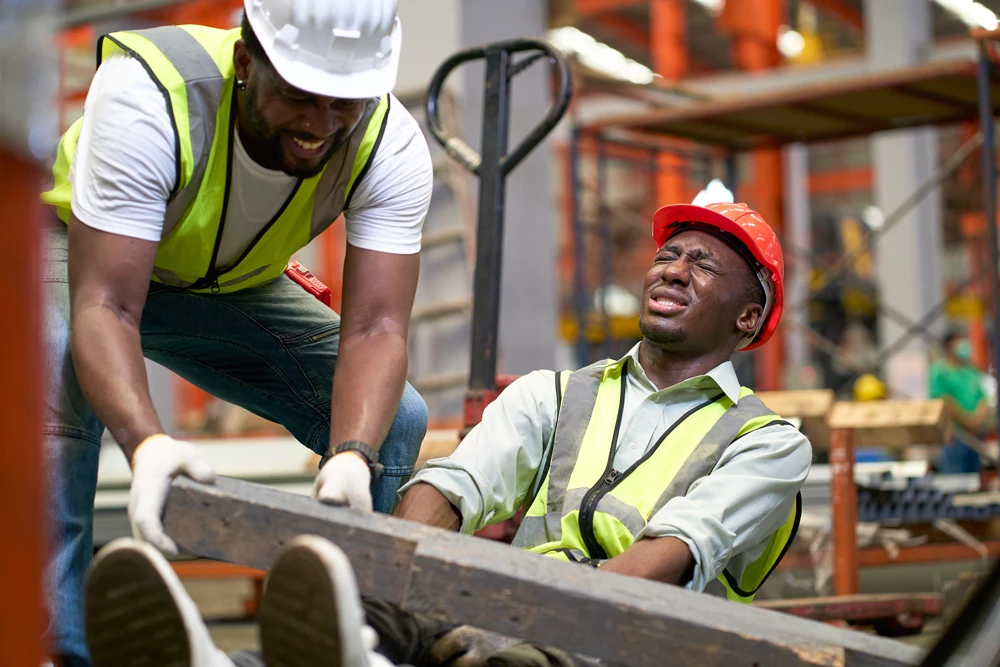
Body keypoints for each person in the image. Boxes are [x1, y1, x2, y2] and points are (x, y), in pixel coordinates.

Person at [82, 189, 812, 667]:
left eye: (704, 265)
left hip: (634, 643)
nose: (673, 270)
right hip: (515, 603)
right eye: (667, 254)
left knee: (512, 663)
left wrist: (520, 618)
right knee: (360, 596)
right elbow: (454, 485)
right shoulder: (555, 393)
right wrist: (395, 570)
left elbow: (673, 555)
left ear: (749, 319)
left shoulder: (768, 444)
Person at [38, 0, 433, 664]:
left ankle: (344, 631)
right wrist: (148, 444)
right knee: (50, 380)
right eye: (302, 97)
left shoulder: (387, 142)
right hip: (85, 259)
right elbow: (105, 304)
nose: (322, 124)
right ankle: (55, 646)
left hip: (229, 285)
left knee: (399, 418)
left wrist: (352, 454)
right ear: (247, 62)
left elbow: (377, 326)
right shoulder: (152, 94)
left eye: (346, 103)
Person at [930, 332, 992, 474]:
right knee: (955, 477)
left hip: (976, 434)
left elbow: (983, 398)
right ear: (949, 346)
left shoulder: (971, 371)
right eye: (959, 342)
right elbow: (944, 400)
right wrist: (966, 420)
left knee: (975, 477)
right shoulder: (940, 371)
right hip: (955, 434)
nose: (964, 346)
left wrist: (976, 420)